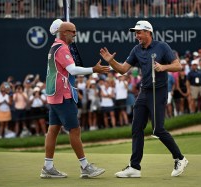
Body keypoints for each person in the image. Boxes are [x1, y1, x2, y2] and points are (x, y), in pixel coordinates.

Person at [100, 20, 188, 178]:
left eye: (139, 32)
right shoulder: (136, 49)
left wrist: (163, 67)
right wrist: (111, 61)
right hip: (144, 92)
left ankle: (180, 158)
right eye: (135, 33)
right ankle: (134, 167)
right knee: (136, 128)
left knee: (158, 129)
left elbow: (178, 66)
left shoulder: (162, 47)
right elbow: (122, 70)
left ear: (148, 32)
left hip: (159, 92)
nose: (136, 35)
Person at [40, 19, 109, 179]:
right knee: (75, 130)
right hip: (63, 94)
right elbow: (72, 69)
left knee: (53, 130)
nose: (75, 34)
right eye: (73, 31)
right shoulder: (62, 48)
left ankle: (48, 167)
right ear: (64, 32)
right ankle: (85, 167)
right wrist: (94, 69)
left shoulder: (54, 47)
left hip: (54, 94)